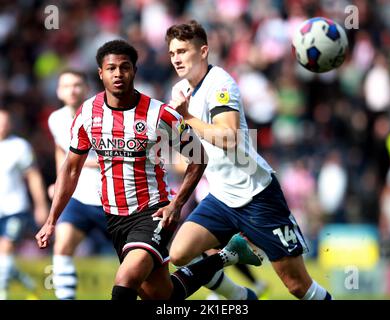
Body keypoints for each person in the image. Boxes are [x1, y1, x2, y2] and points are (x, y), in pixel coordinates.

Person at [35, 39, 262, 300]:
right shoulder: (87, 114)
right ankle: (228, 259)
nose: (118, 74)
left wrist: (176, 204)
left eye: (125, 67)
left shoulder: (160, 115)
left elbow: (198, 157)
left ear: (134, 70)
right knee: (162, 296)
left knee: (126, 280)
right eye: (111, 69)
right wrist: (52, 219)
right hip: (115, 218)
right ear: (101, 73)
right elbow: (71, 169)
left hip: (153, 213)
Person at [166, 20, 333, 300]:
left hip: (256, 195)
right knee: (179, 253)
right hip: (221, 197)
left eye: (182, 51)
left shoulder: (221, 83)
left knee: (296, 286)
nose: (177, 59)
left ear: (204, 51)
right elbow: (196, 147)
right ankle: (242, 293)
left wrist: (188, 118)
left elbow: (228, 137)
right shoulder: (179, 91)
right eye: (172, 53)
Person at [47, 69, 113, 300]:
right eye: (66, 86)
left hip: (111, 200)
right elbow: (60, 150)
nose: (72, 90)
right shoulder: (55, 119)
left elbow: (114, 156)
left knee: (137, 260)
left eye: (77, 85)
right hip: (78, 198)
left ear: (86, 88)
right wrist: (60, 180)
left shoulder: (103, 116)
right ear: (58, 91)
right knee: (62, 247)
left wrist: (77, 164)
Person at [0, 109, 49, 299]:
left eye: (5, 122)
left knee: (6, 249)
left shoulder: (20, 146)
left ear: (10, 124)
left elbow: (33, 176)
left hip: (15, 208)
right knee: (4, 259)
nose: (2, 126)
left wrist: (41, 205)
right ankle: (29, 286)